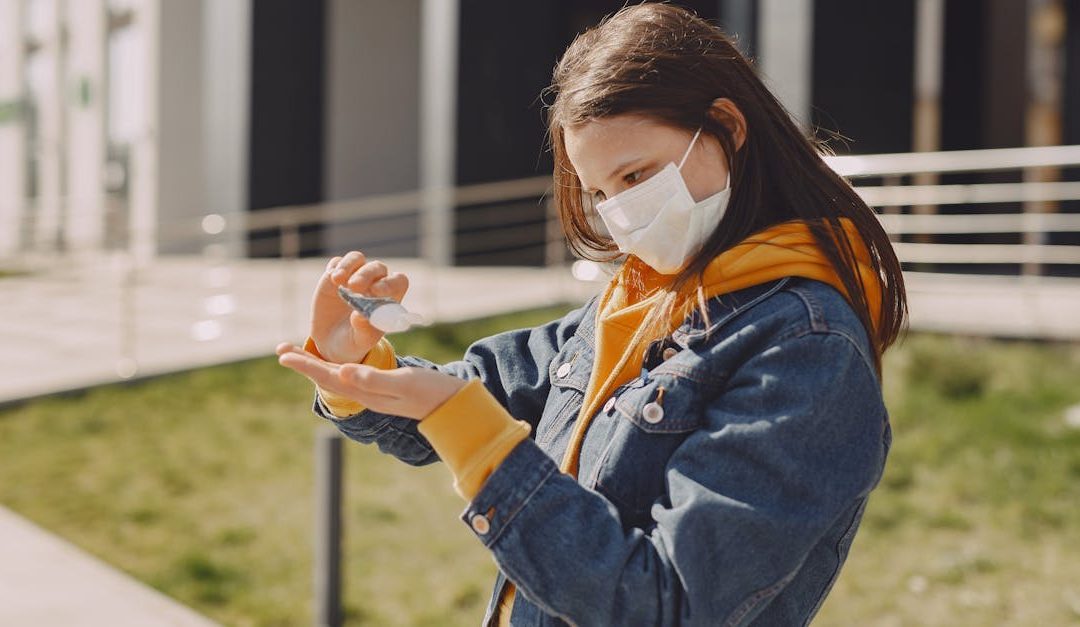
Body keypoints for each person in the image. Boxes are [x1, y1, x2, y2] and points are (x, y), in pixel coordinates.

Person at [276, 4, 907, 625]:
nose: (622, 211)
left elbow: (667, 605)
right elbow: (467, 395)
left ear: (727, 127)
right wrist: (356, 360)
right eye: (601, 191)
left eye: (637, 174)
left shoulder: (806, 347)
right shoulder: (636, 299)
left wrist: (463, 423)